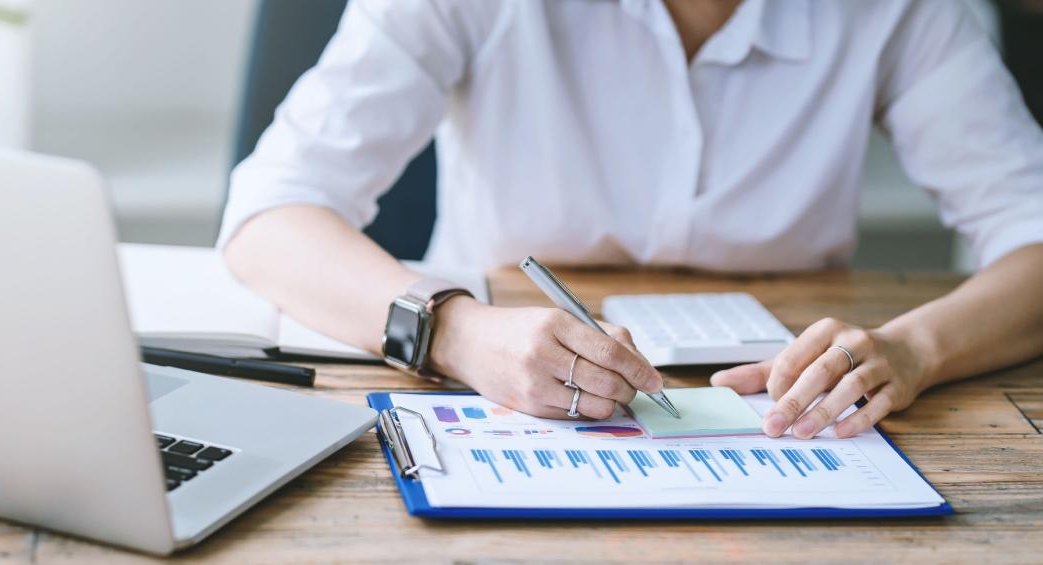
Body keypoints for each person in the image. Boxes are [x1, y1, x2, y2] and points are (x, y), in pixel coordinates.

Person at [219, 0, 1043, 439]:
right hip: (493, 402)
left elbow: (1031, 228)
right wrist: (458, 334)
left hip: (784, 419)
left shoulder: (904, 11)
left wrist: (913, 348)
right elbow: (270, 214)